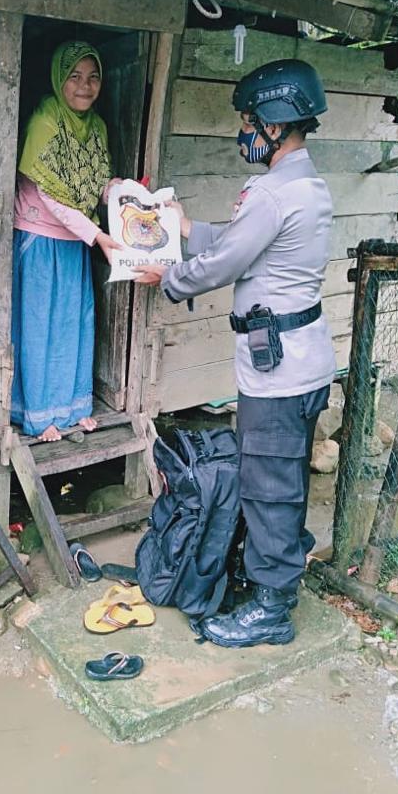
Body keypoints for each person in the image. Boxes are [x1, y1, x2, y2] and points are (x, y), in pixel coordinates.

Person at [134, 59, 335, 648]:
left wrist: (169, 276)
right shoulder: (301, 184)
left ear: (274, 123)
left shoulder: (272, 193)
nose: (243, 132)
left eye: (249, 121)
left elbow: (225, 262)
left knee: (269, 487)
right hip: (302, 359)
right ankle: (277, 574)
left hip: (279, 370)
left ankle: (271, 609)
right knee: (283, 478)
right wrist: (186, 226)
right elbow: (242, 241)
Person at [11, 40, 122, 442]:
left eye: (93, 77)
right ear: (59, 79)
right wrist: (98, 235)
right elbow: (52, 196)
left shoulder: (97, 128)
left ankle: (73, 409)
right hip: (40, 241)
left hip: (75, 241)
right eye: (74, 76)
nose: (84, 86)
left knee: (73, 324)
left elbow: (94, 185)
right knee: (39, 327)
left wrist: (122, 193)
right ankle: (39, 415)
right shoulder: (45, 120)